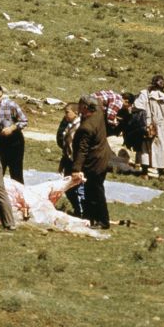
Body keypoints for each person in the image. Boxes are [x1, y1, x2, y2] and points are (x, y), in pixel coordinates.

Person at [71, 95, 113, 229]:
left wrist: (76, 169)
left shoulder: (87, 127)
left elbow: (82, 150)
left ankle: (103, 221)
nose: (77, 108)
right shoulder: (98, 113)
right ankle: (90, 217)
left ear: (85, 107)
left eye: (79, 106)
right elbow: (100, 103)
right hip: (103, 156)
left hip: (94, 161)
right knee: (92, 190)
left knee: (95, 191)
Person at [133, 75, 164, 178]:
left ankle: (144, 172)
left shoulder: (144, 94)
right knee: (160, 147)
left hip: (146, 124)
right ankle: (160, 172)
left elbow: (136, 106)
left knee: (145, 148)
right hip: (160, 125)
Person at [55, 102, 84, 217]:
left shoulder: (80, 126)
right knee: (68, 186)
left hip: (76, 161)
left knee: (78, 187)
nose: (65, 115)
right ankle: (77, 209)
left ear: (76, 112)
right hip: (68, 159)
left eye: (67, 112)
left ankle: (82, 211)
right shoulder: (69, 124)